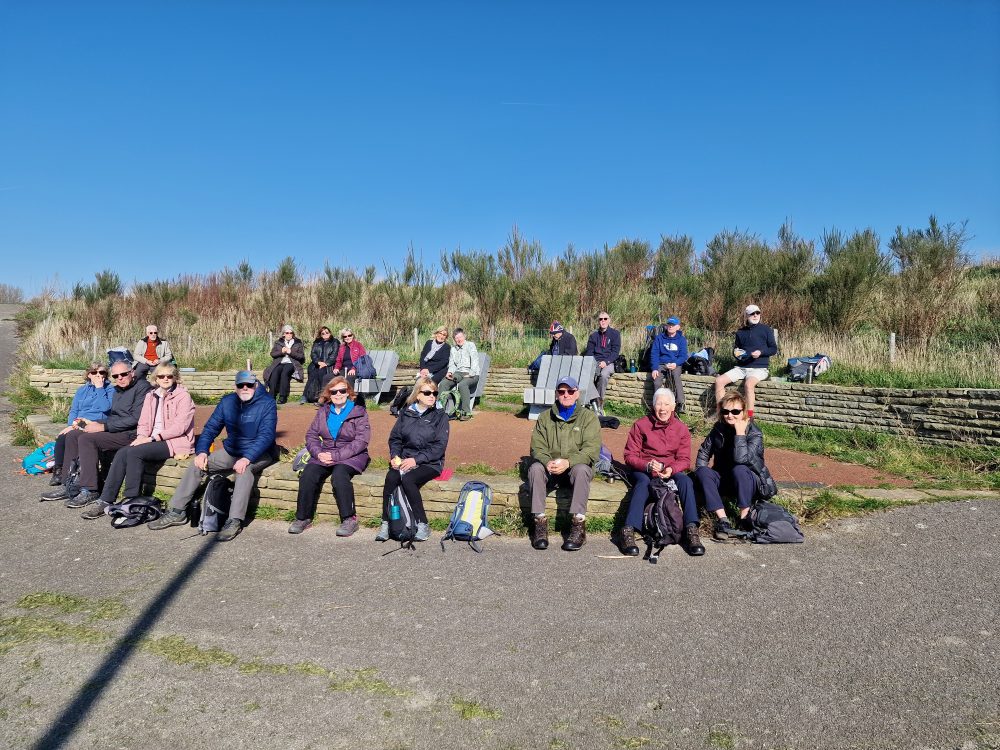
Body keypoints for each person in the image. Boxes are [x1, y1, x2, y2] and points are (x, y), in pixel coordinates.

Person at [148, 371, 279, 542]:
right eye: (241, 385)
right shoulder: (227, 402)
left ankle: (234, 520)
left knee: (244, 471)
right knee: (197, 465)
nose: (245, 388)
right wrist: (202, 452)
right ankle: (177, 511)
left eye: (249, 385)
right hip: (232, 450)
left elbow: (266, 436)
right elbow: (210, 428)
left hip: (260, 452)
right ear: (235, 387)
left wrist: (247, 458)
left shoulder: (267, 403)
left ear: (255, 385)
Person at [81, 363, 195, 519]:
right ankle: (105, 500)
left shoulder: (183, 396)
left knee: (134, 452)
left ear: (175, 378)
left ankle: (131, 499)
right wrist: (142, 436)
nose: (165, 379)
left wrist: (151, 438)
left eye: (169, 376)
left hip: (174, 441)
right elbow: (143, 422)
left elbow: (180, 427)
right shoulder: (151, 395)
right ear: (156, 378)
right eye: (161, 376)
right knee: (123, 452)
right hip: (151, 438)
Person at [41, 360, 152, 507]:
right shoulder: (119, 389)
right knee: (73, 435)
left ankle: (90, 489)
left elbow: (135, 418)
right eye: (116, 376)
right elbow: (113, 415)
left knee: (87, 440)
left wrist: (103, 426)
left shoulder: (142, 388)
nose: (120, 378)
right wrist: (89, 423)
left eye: (124, 374)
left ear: (132, 373)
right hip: (116, 429)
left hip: (132, 433)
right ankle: (69, 484)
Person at [620, 387, 703, 557]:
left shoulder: (681, 429)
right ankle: (628, 530)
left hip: (669, 469)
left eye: (666, 404)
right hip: (643, 468)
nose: (662, 408)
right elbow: (629, 456)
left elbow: (684, 460)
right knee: (643, 483)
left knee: (686, 481)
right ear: (653, 405)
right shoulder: (640, 425)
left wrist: (671, 468)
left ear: (673, 407)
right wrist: (647, 465)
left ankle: (691, 530)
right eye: (659, 404)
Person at [527, 375, 601, 552]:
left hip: (574, 470)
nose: (566, 394)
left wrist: (569, 462)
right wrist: (547, 462)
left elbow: (591, 450)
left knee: (582, 469)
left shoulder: (589, 418)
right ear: (556, 394)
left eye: (570, 391)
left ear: (577, 394)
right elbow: (537, 447)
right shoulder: (545, 418)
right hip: (550, 469)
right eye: (561, 391)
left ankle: (578, 525)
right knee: (535, 468)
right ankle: (540, 523)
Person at [290, 377, 370, 536]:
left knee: (339, 475)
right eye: (334, 391)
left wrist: (336, 456)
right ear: (329, 394)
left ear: (349, 392)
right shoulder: (323, 411)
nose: (338, 394)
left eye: (342, 390)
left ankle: (349, 519)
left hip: (351, 455)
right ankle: (303, 518)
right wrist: (318, 453)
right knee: (308, 474)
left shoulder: (359, 412)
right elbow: (311, 435)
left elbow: (361, 441)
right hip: (324, 452)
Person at [695, 391, 778, 540]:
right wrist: (701, 476)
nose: (730, 415)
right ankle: (723, 520)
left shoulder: (754, 433)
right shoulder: (718, 429)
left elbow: (741, 459)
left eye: (735, 411)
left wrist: (740, 434)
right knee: (702, 471)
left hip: (749, 482)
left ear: (744, 412)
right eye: (726, 411)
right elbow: (704, 452)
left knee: (739, 469)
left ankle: (744, 517)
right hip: (725, 478)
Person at [376, 376, 449, 543]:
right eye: (427, 392)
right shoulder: (406, 413)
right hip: (405, 459)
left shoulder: (440, 417)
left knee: (409, 479)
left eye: (435, 393)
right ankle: (386, 522)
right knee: (391, 477)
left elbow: (439, 447)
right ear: (417, 395)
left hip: (430, 462)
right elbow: (395, 438)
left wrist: (416, 460)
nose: (432, 396)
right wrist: (396, 456)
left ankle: (423, 523)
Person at [49, 363, 114, 486]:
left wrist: (100, 388)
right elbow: (74, 410)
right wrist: (70, 425)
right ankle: (59, 471)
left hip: (96, 422)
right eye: (94, 373)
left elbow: (106, 408)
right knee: (62, 436)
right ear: (89, 375)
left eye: (102, 372)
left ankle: (73, 474)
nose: (98, 375)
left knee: (72, 437)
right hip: (79, 422)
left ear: (106, 375)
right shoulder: (82, 390)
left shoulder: (110, 390)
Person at [714, 304, 777, 419]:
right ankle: (721, 414)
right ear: (746, 315)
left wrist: (761, 352)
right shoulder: (740, 332)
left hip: (759, 369)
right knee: (719, 381)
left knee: (749, 384)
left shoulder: (766, 330)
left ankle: (749, 416)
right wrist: (736, 354)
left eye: (758, 313)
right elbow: (736, 350)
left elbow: (773, 349)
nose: (755, 315)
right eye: (752, 313)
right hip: (741, 368)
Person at [438, 328, 480, 421]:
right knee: (444, 383)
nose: (459, 339)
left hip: (472, 374)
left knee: (462, 384)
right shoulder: (453, 349)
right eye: (456, 338)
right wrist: (450, 372)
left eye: (460, 337)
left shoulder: (470, 345)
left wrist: (471, 373)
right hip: (458, 373)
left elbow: (475, 360)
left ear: (464, 336)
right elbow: (452, 364)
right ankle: (438, 410)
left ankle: (466, 412)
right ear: (454, 339)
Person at [584, 312, 621, 414]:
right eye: (601, 319)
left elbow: (615, 352)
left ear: (609, 320)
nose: (603, 321)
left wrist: (606, 362)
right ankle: (590, 401)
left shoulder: (615, 334)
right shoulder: (593, 336)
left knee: (603, 375)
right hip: (595, 361)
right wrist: (594, 363)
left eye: (605, 319)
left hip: (609, 362)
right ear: (598, 321)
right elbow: (589, 352)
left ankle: (599, 403)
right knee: (586, 376)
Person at [649, 317, 688, 413]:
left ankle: (680, 403)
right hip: (661, 364)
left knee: (675, 376)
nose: (670, 326)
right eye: (669, 324)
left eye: (673, 325)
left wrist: (676, 363)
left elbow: (683, 356)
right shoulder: (659, 338)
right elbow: (654, 354)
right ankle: (657, 404)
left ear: (678, 327)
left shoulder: (682, 340)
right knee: (656, 381)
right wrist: (654, 368)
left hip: (676, 364)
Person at [264, 324, 305, 404]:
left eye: (291, 333)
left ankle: (283, 397)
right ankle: (272, 395)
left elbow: (301, 357)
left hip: (291, 362)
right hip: (280, 362)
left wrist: (291, 352)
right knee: (274, 372)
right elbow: (272, 354)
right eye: (287, 333)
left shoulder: (298, 343)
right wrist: (281, 352)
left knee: (285, 373)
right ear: (283, 334)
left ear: (293, 334)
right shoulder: (278, 342)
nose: (289, 334)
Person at [301, 326, 339, 404]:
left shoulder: (335, 342)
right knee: (312, 376)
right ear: (320, 335)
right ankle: (305, 396)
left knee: (321, 375)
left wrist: (326, 363)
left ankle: (323, 397)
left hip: (328, 365)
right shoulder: (317, 342)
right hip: (316, 364)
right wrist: (318, 362)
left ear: (330, 333)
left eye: (327, 332)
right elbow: (313, 353)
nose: (325, 334)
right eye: (323, 333)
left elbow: (334, 355)